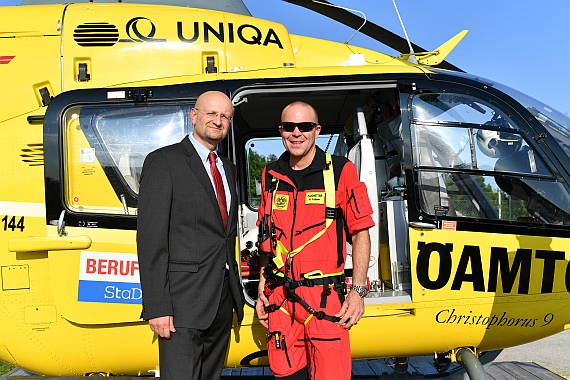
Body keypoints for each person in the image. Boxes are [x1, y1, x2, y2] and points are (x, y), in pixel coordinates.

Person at [255, 101, 374, 380]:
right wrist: (263, 285)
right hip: (280, 299)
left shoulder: (341, 171)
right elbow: (266, 236)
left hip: (324, 299)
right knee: (285, 373)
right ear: (280, 130)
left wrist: (357, 291)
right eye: (289, 127)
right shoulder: (271, 175)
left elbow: (360, 233)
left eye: (305, 127)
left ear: (316, 131)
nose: (297, 133)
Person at [137, 91, 245, 380]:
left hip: (222, 299)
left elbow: (224, 235)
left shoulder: (228, 169)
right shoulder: (164, 161)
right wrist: (157, 306)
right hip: (181, 303)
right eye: (211, 113)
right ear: (194, 116)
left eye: (225, 116)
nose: (218, 121)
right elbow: (151, 240)